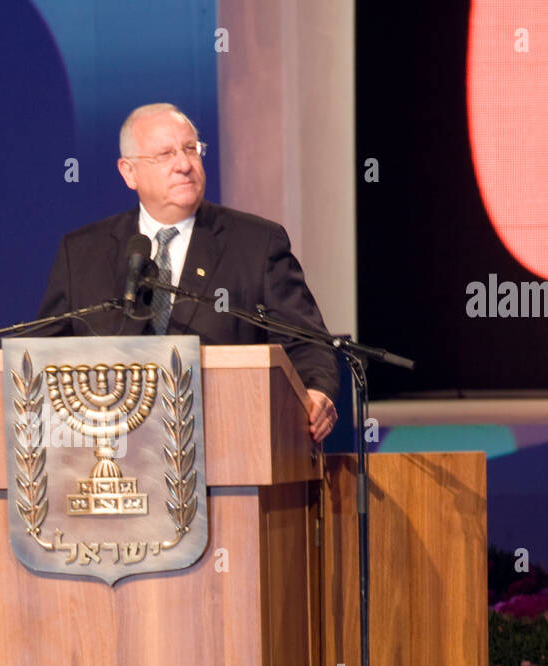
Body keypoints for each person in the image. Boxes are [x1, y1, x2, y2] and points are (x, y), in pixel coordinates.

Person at [36, 103, 339, 442]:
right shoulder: (81, 253)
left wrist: (316, 391)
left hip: (229, 441)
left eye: (191, 149)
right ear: (129, 172)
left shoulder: (256, 244)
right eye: (164, 155)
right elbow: (45, 354)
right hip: (110, 450)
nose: (184, 165)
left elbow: (305, 342)